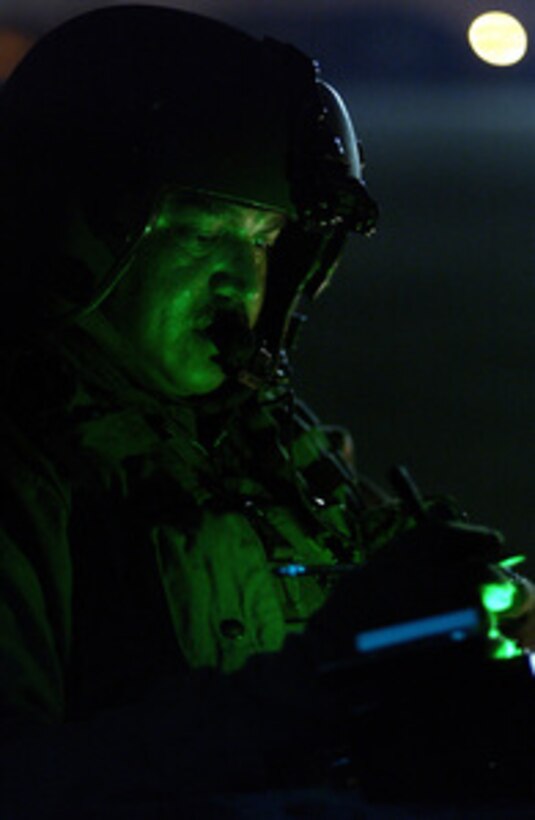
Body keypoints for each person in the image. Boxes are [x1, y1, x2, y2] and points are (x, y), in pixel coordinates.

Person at [1, 5, 534, 817]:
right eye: (204, 231)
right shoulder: (28, 468)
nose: (240, 284)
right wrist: (330, 672)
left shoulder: (260, 435)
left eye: (262, 240)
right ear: (79, 230)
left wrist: (462, 611)